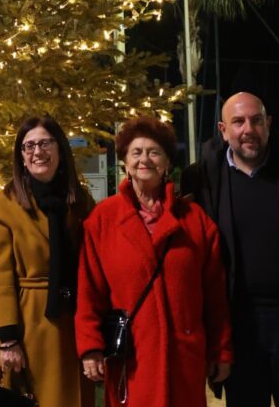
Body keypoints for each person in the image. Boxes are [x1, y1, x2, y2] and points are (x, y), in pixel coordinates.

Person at [181, 91, 279, 407]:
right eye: (238, 122)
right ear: (223, 130)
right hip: (238, 324)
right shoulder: (202, 180)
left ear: (268, 124)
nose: (248, 129)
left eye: (256, 120)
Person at [77, 115, 232, 406]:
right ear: (124, 162)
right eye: (136, 152)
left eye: (154, 152)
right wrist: (90, 347)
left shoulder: (194, 220)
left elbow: (214, 295)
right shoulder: (102, 220)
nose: (144, 159)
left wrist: (221, 350)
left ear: (167, 163)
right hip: (130, 360)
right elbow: (89, 292)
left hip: (184, 358)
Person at [0, 114, 95, 406]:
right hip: (27, 324)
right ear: (21, 156)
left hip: (72, 324)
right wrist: (8, 339)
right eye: (28, 146)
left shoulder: (80, 202)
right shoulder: (7, 203)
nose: (37, 152)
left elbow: (94, 266)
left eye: (45, 143)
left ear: (60, 149)